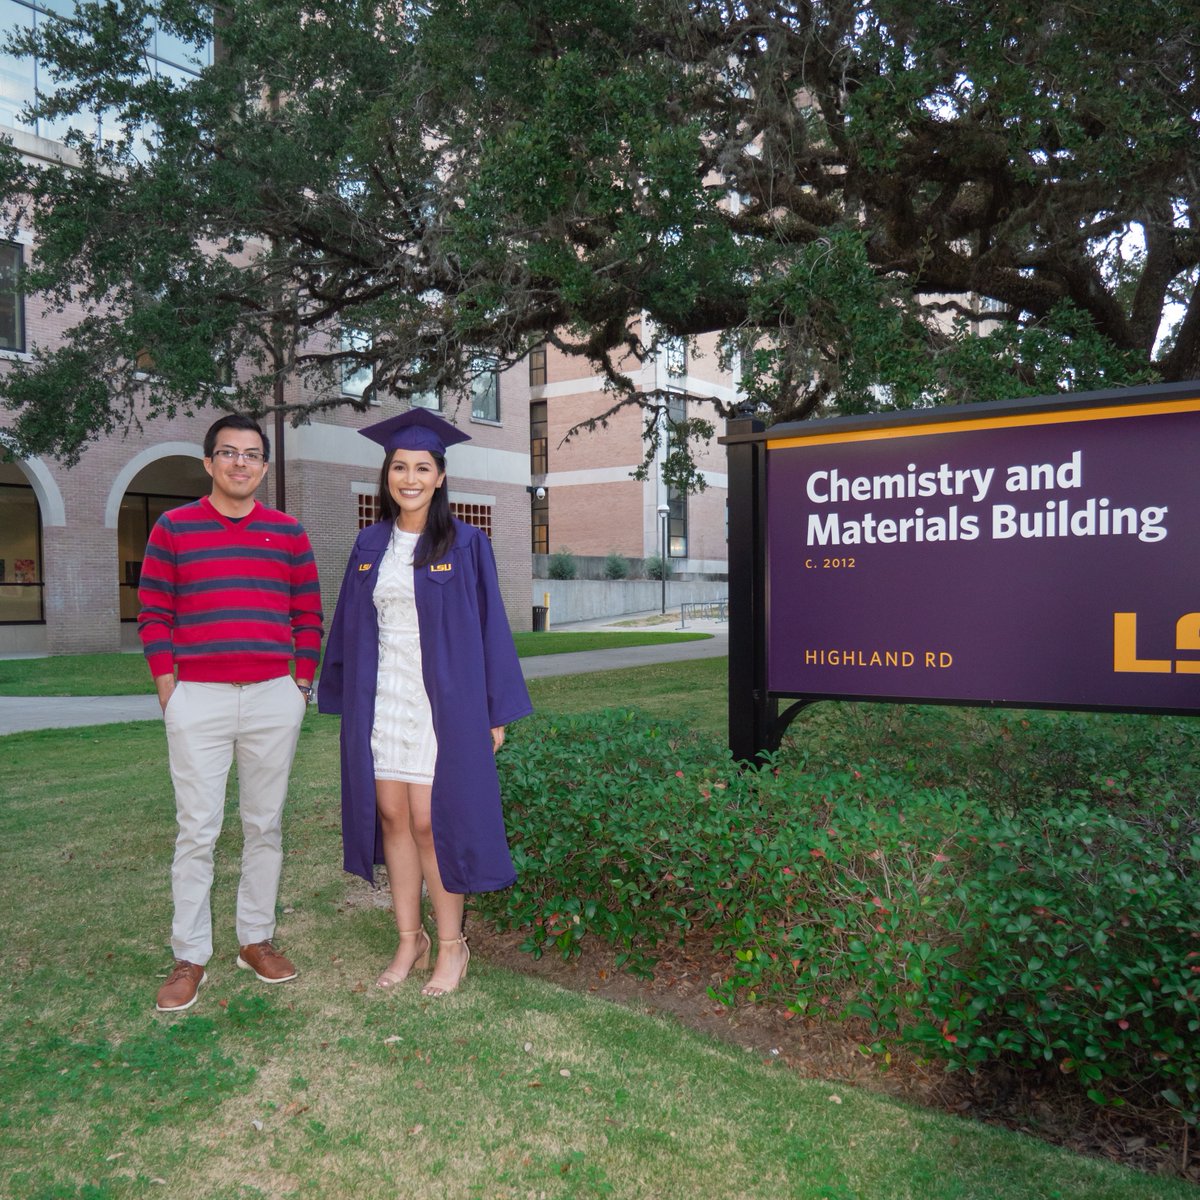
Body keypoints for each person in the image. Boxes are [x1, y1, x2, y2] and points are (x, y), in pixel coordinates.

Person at [319, 408, 532, 997]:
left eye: (422, 467)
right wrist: (338, 691)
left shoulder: (466, 543)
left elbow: (491, 628)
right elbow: (350, 623)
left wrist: (494, 709)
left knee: (430, 822)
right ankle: (407, 939)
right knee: (389, 814)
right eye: (398, 466)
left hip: (445, 700)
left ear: (440, 476)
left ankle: (452, 946)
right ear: (387, 473)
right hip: (383, 695)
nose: (408, 477)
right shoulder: (369, 542)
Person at [138, 413, 324, 1013]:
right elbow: (153, 614)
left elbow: (307, 617)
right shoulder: (174, 528)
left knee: (264, 825)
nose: (240, 463)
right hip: (199, 699)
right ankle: (190, 954)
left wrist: (299, 686)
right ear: (209, 463)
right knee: (198, 830)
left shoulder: (289, 533)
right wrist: (171, 691)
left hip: (274, 696)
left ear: (264, 467)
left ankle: (255, 940)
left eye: (251, 455)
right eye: (228, 453)